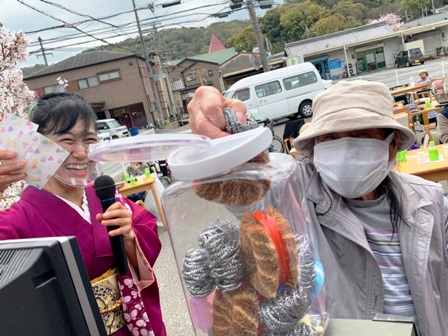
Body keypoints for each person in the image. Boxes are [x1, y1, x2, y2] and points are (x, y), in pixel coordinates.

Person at [187, 81, 448, 336]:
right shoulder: (293, 191)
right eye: (331, 137)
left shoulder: (430, 203)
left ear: (392, 145)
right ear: (315, 148)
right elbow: (246, 185)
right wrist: (225, 130)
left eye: (361, 135)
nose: (345, 149)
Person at [0, 93, 166, 336]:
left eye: (89, 140)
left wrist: (129, 239)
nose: (81, 152)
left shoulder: (108, 198)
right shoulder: (19, 219)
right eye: (66, 140)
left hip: (131, 326)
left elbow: (148, 234)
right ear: (36, 146)